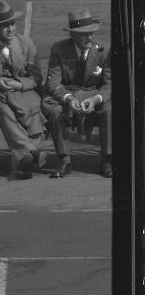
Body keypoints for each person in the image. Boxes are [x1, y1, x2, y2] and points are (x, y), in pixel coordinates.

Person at [0, 0, 46, 179]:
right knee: (4, 112)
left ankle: (25, 157)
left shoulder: (26, 43)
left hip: (23, 93)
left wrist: (19, 84)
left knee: (31, 111)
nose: (10, 29)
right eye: (5, 26)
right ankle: (32, 152)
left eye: (12, 24)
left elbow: (36, 77)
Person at [42, 9, 112, 179]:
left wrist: (96, 99)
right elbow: (53, 82)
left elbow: (110, 83)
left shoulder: (104, 50)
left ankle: (107, 159)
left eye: (92, 33)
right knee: (54, 110)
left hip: (93, 94)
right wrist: (68, 99)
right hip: (68, 94)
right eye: (84, 34)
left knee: (110, 108)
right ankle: (64, 160)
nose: (89, 37)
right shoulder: (59, 49)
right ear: (72, 35)